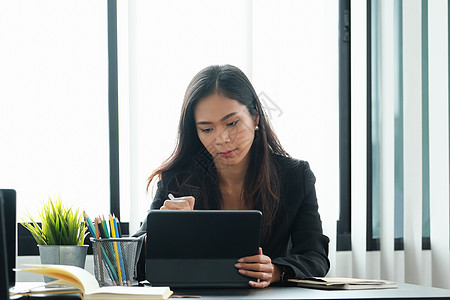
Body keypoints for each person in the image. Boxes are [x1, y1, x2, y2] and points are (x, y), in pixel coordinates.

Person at [135, 64, 330, 288]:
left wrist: (276, 271)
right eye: (207, 129)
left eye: (232, 123)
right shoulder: (178, 180)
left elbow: (315, 256)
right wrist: (160, 233)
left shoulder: (295, 176)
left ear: (255, 116)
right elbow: (131, 256)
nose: (222, 139)